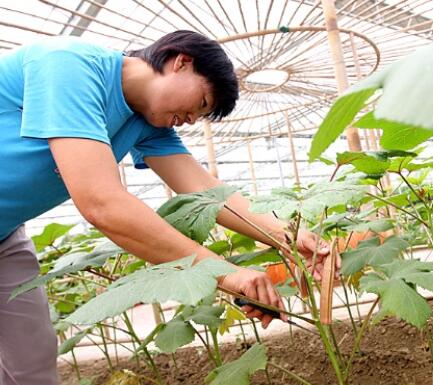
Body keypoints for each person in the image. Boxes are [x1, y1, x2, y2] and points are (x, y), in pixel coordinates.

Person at [0, 30, 333, 385]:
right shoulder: (67, 64)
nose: (192, 119)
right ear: (181, 61)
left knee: (32, 358)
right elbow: (101, 202)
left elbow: (207, 192)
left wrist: (290, 237)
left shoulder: (146, 124)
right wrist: (226, 272)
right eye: (202, 102)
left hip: (6, 239)